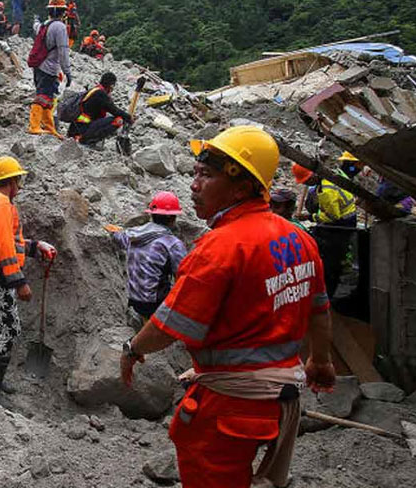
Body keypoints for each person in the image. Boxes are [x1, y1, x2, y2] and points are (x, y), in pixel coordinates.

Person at [120, 126, 335, 488]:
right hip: (282, 397)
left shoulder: (220, 247)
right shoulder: (299, 238)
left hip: (234, 406)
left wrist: (132, 349)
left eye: (206, 175)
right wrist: (322, 360)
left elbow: (169, 326)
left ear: (241, 186)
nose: (193, 185)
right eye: (195, 174)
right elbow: (318, 309)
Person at [0, 156, 57, 396]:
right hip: (1, 275)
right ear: (10, 181)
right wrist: (18, 281)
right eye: (18, 181)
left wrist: (35, 246)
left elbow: (9, 241)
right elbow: (4, 244)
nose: (19, 187)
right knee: (9, 327)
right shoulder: (1, 204)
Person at [105, 191, 187, 326]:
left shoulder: (132, 234)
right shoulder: (172, 244)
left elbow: (119, 237)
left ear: (152, 215)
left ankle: (140, 321)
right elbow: (184, 275)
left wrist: (112, 230)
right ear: (173, 218)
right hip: (155, 303)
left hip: (133, 299)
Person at [293, 163, 356, 301]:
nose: (307, 184)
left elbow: (333, 217)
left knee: (331, 257)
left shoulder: (327, 191)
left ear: (313, 176)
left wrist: (309, 217)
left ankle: (329, 291)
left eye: (307, 181)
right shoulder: (332, 172)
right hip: (349, 215)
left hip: (341, 224)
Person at [29, 0, 72, 138]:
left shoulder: (45, 25)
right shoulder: (60, 27)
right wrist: (67, 71)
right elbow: (63, 51)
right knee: (43, 96)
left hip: (39, 65)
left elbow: (36, 27)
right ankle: (34, 125)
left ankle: (48, 126)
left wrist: (35, 20)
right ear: (62, 11)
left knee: (48, 98)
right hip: (49, 67)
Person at [67, 72, 132, 147]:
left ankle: (86, 138)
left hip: (76, 128)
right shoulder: (101, 94)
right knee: (118, 120)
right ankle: (85, 140)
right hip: (81, 130)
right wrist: (129, 117)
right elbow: (114, 110)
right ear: (111, 85)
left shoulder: (95, 90)